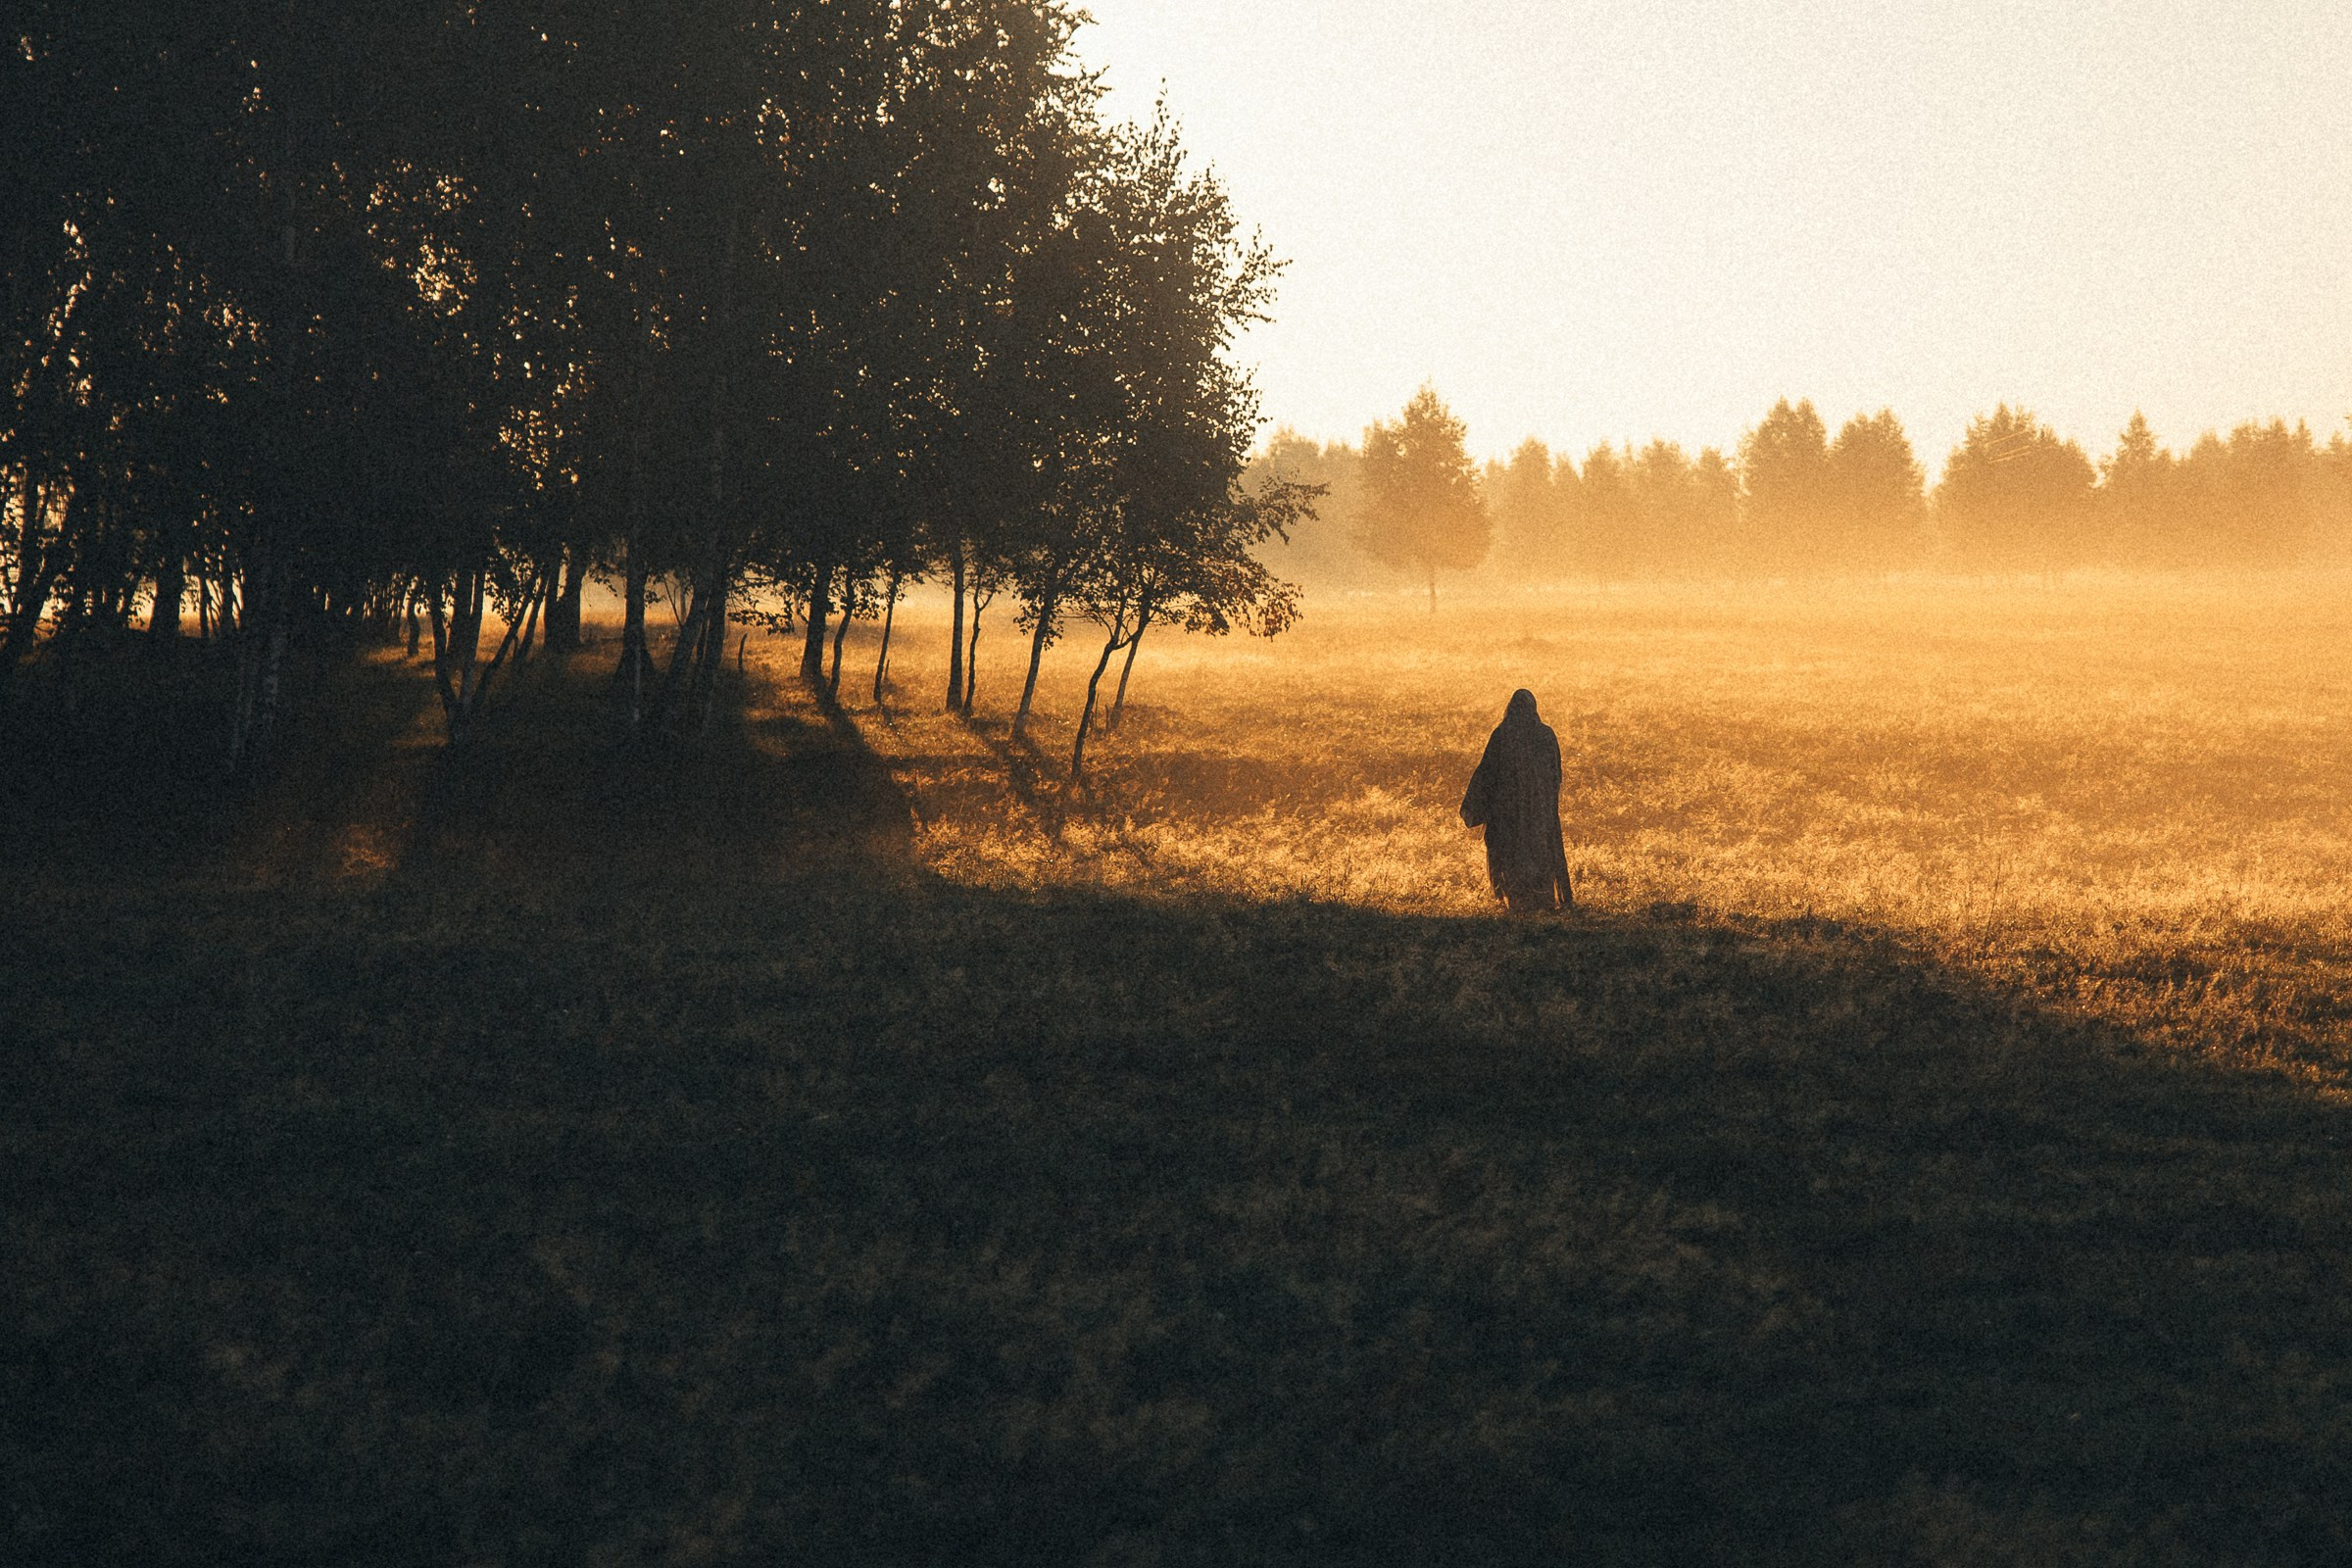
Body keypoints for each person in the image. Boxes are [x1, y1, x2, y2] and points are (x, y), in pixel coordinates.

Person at [1459, 688, 1572, 912]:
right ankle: (1542, 903)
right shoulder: (1546, 735)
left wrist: (1478, 806)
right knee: (1540, 854)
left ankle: (1516, 904)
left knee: (1511, 855)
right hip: (1540, 815)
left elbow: (1487, 773)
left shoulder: (1502, 735)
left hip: (1507, 815)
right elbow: (1555, 775)